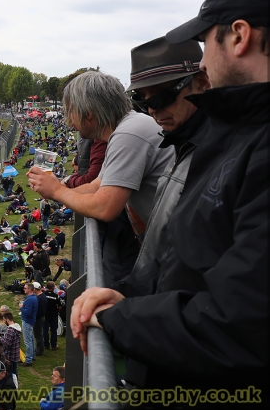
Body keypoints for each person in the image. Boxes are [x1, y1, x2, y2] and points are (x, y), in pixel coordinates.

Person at [70, 0, 270, 401]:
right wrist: (129, 296)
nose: (202, 61)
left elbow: (242, 323)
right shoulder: (229, 132)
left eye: (205, 41)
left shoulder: (257, 142)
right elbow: (184, 251)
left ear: (239, 36)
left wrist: (123, 319)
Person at [27, 70, 173, 284]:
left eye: (71, 111)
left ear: (89, 112)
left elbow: (104, 207)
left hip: (174, 256)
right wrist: (56, 191)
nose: (68, 121)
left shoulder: (128, 135)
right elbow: (97, 185)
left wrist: (57, 190)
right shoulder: (125, 129)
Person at [125, 37, 209, 277]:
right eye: (140, 100)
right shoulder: (179, 143)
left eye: (161, 96)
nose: (152, 109)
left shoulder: (218, 152)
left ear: (203, 82)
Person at [20, 284, 38, 366]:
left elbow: (27, 312)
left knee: (28, 341)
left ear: (30, 289)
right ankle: (32, 356)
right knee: (31, 339)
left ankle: (28, 360)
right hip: (31, 321)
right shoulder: (33, 298)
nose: (24, 289)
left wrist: (21, 307)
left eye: (25, 288)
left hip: (27, 321)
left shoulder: (30, 299)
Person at [43, 282, 60, 351]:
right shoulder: (56, 296)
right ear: (53, 287)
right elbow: (60, 306)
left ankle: (46, 345)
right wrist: (57, 311)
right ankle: (54, 345)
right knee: (54, 330)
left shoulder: (43, 295)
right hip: (54, 315)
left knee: (45, 330)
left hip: (45, 315)